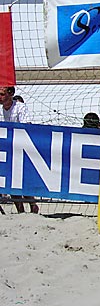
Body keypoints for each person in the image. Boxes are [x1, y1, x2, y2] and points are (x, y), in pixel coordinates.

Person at [0, 86, 39, 214]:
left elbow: (26, 126)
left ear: (10, 94)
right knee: (11, 181)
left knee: (22, 180)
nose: (0, 97)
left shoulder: (20, 107)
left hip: (21, 148)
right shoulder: (3, 109)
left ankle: (33, 205)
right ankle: (20, 211)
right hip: (9, 148)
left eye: (2, 94)